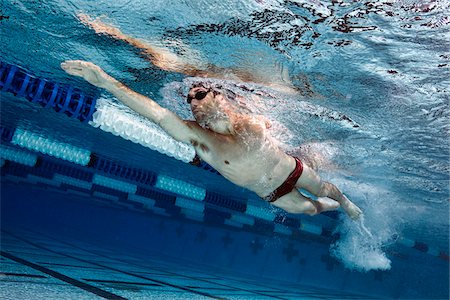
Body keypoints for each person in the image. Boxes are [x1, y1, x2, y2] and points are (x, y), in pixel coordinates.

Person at [61, 15, 362, 219]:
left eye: (199, 94)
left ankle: (347, 205)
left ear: (219, 95)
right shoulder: (201, 138)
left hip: (292, 170)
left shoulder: (250, 115)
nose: (192, 100)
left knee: (324, 187)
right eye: (189, 97)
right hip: (270, 192)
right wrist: (105, 81)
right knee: (310, 210)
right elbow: (158, 115)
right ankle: (333, 208)